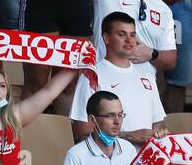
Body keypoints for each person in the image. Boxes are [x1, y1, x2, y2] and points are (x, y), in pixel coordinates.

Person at [68, 13, 169, 142]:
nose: (129, 40)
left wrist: (160, 131)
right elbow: (81, 131)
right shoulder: (92, 75)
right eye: (122, 34)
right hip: (108, 160)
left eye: (132, 35)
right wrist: (128, 136)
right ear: (106, 38)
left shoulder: (147, 76)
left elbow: (158, 123)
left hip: (144, 160)